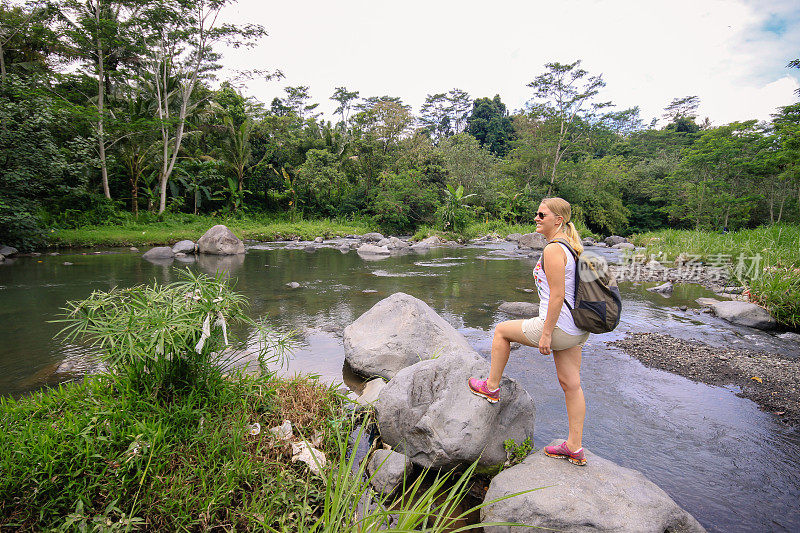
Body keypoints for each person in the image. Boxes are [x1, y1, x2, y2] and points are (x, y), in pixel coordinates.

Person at [468, 197, 590, 466]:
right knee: (572, 384)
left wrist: (546, 334)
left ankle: (490, 388)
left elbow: (557, 296)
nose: (536, 218)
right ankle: (575, 447)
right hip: (576, 329)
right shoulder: (570, 247)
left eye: (541, 214)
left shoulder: (554, 250)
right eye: (537, 214)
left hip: (557, 326)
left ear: (558, 220)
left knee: (501, 330)